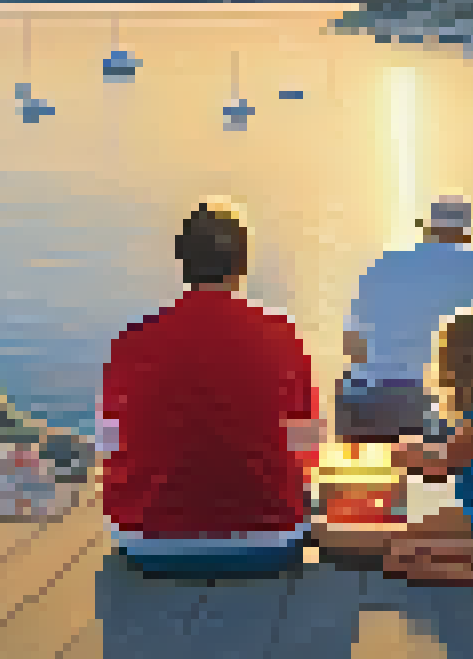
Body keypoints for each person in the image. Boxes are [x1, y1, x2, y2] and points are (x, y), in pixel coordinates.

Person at [103, 200, 322, 576]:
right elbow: (307, 445)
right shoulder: (280, 334)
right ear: (243, 264)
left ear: (182, 263)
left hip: (148, 542)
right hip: (270, 540)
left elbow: (109, 442)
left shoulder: (134, 337)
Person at [313, 311, 473, 589]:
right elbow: (450, 455)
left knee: (401, 546)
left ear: (457, 375)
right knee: (422, 528)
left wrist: (402, 452)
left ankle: (317, 532)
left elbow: (436, 466)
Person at [340, 194, 473, 448]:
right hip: (441, 409)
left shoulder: (384, 264)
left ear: (428, 229)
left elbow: (351, 346)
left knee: (354, 383)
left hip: (370, 402)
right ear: (466, 234)